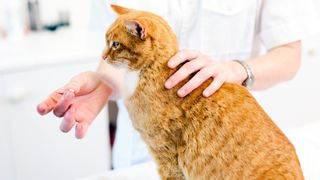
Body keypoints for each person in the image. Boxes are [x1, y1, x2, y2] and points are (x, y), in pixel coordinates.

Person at [37, 0, 319, 170]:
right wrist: (102, 83)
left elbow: (289, 56)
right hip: (144, 156)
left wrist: (235, 69)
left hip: (229, 149)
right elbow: (118, 60)